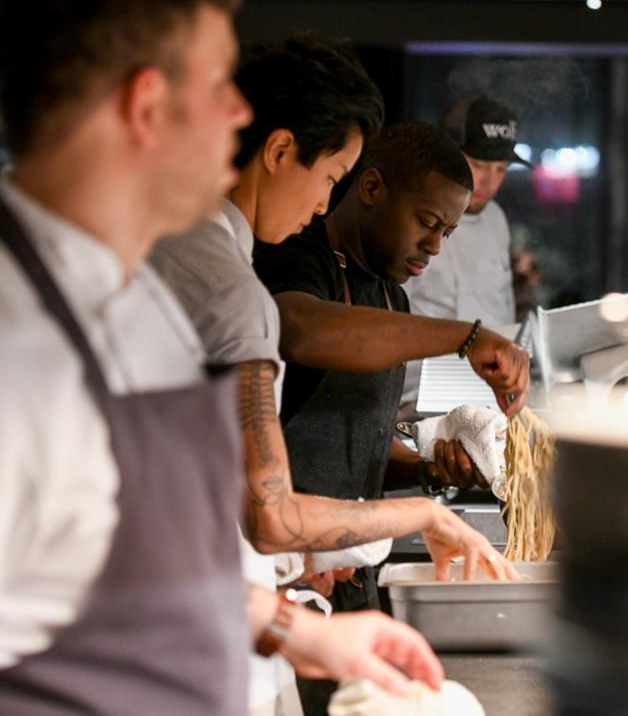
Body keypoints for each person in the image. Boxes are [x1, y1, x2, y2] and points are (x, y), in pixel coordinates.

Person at [0, 0, 444, 713]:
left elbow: (116, 558)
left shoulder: (134, 293)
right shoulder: (19, 340)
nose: (241, 114)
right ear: (147, 106)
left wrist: (292, 628)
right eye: (219, 85)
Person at [150, 38, 514, 715]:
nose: (324, 203)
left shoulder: (174, 251)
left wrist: (424, 474)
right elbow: (271, 517)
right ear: (281, 150)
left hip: (231, 600)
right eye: (330, 177)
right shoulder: (240, 285)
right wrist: (423, 514)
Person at [253, 122, 529, 708]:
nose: (434, 246)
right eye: (427, 223)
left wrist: (431, 467)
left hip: (353, 582)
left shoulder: (390, 298)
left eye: (448, 233)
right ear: (372, 187)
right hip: (281, 582)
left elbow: (360, 457)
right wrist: (465, 337)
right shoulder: (292, 259)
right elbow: (300, 330)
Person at [401, 96, 531, 408]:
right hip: (413, 398)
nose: (490, 181)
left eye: (501, 169)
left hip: (487, 394)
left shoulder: (497, 219)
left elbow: (502, 309)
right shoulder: (409, 217)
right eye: (478, 165)